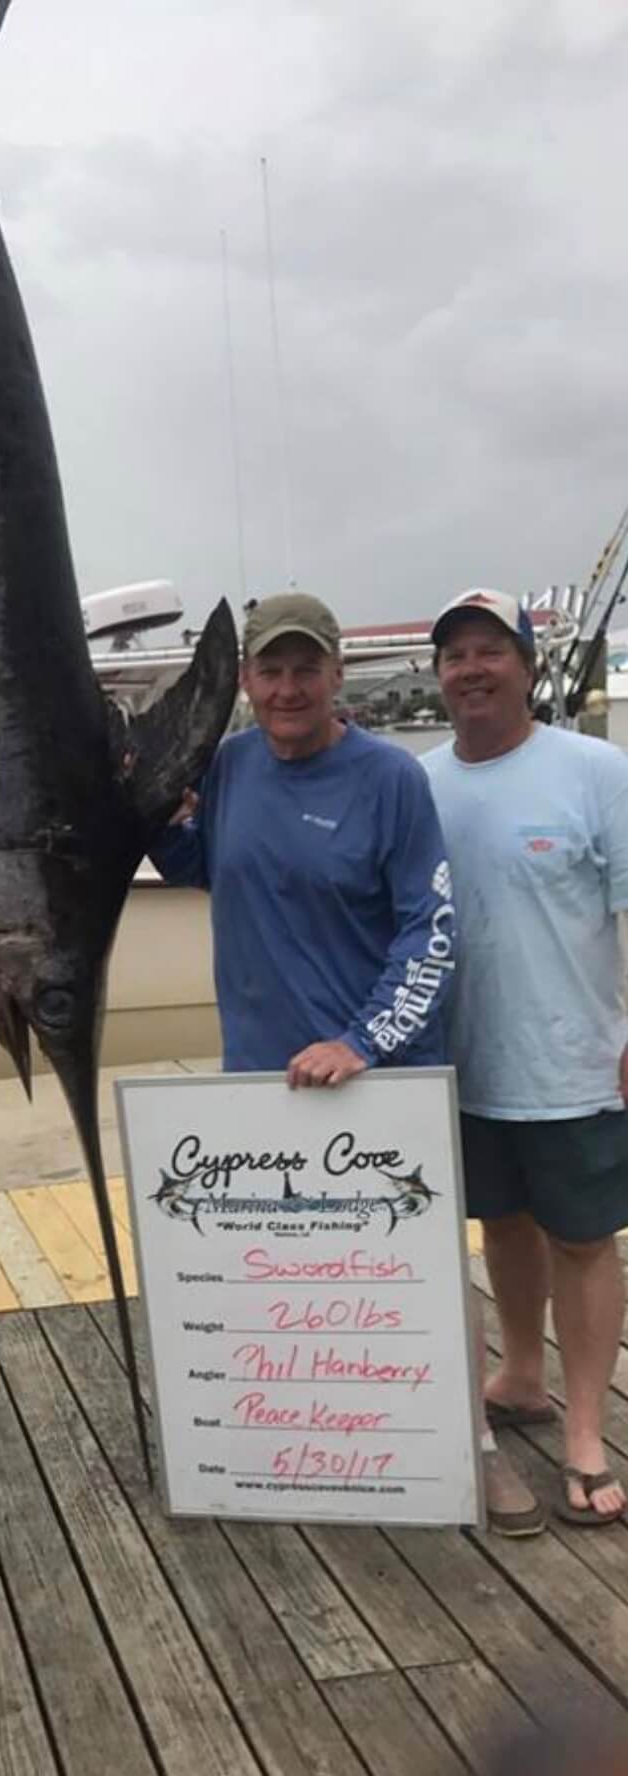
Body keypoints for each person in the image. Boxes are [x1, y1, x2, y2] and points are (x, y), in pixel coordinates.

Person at [425, 588, 628, 1528]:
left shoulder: (596, 770)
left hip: (578, 1063)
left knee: (585, 1242)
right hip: (462, 1066)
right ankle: (520, 1375)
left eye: (490, 650)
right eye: (456, 654)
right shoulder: (417, 782)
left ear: (527, 662)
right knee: (500, 1225)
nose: (471, 668)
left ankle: (586, 1432)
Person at [151, 591, 457, 1085]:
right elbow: (203, 867)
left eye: (306, 670)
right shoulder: (228, 763)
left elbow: (432, 933)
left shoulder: (391, 777)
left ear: (337, 673)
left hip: (369, 1078)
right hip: (260, 1076)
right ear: (244, 679)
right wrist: (155, 826)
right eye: (270, 672)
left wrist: (360, 1042)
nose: (287, 690)